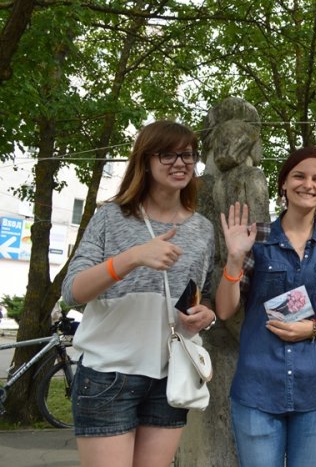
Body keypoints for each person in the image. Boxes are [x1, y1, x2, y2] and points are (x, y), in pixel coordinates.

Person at [61, 120, 216, 467]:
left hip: (170, 376)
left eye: (188, 155)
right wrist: (131, 258)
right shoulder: (110, 217)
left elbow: (195, 297)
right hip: (107, 375)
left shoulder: (202, 229)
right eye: (168, 155)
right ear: (144, 161)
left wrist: (204, 312)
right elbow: (72, 291)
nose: (181, 163)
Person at [215, 146, 316, 467]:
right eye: (299, 175)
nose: (308, 184)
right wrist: (235, 258)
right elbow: (225, 310)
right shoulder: (256, 237)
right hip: (257, 390)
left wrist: (313, 328)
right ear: (283, 183)